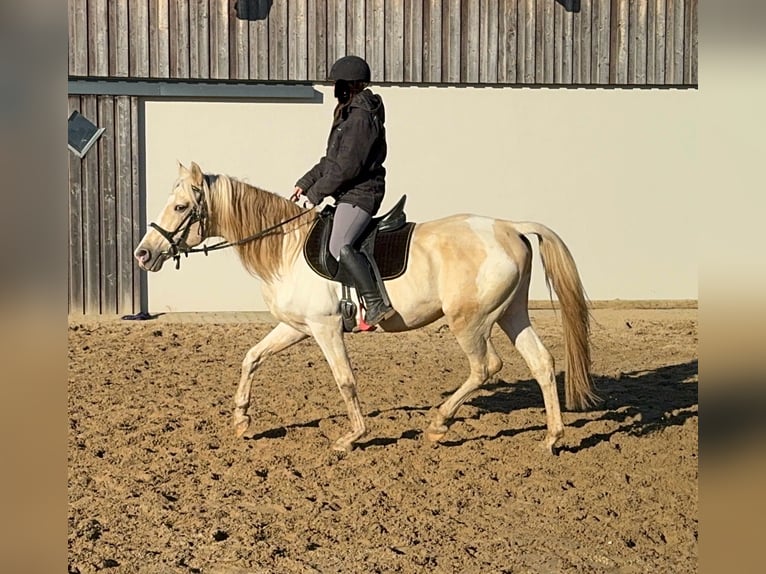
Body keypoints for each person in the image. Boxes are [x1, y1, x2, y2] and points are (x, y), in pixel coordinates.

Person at [292, 55, 395, 326]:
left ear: (350, 85)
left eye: (338, 83)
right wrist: (305, 183)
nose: (335, 88)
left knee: (339, 245)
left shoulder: (360, 117)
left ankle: (374, 303)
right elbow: (331, 161)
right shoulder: (347, 114)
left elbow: (347, 168)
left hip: (362, 192)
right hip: (348, 191)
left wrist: (315, 196)